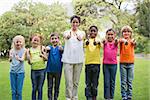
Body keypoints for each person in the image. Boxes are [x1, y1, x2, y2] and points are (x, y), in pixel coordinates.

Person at [61, 15, 85, 100]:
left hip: (78, 60)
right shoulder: (66, 32)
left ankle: (74, 97)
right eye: (73, 22)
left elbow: (82, 37)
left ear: (79, 23)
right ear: (71, 23)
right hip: (68, 60)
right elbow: (66, 36)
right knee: (68, 82)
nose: (75, 24)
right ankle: (68, 97)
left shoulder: (82, 33)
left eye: (76, 22)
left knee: (76, 82)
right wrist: (68, 36)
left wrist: (80, 38)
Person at [27, 34, 47, 100]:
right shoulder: (29, 50)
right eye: (34, 40)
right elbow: (29, 63)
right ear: (31, 41)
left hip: (42, 70)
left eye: (37, 40)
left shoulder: (42, 48)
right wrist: (29, 59)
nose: (35, 42)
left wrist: (42, 55)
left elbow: (46, 58)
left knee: (40, 88)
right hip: (34, 71)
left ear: (39, 42)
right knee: (34, 88)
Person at [84, 26, 101, 100]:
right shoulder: (86, 41)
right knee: (88, 83)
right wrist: (87, 39)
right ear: (89, 32)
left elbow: (101, 44)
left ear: (97, 32)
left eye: (94, 31)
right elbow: (85, 44)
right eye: (91, 31)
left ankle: (94, 97)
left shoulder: (98, 40)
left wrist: (97, 41)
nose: (93, 32)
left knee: (95, 83)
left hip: (96, 64)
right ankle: (88, 97)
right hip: (88, 64)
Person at [119, 26, 136, 100]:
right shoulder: (121, 40)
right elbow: (119, 41)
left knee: (129, 81)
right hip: (123, 63)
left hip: (131, 63)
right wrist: (123, 40)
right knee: (123, 82)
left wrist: (133, 42)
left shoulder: (132, 40)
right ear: (122, 33)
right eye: (124, 31)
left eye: (128, 31)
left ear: (131, 33)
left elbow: (134, 43)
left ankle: (129, 95)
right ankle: (124, 96)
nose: (126, 33)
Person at [46, 33, 63, 100]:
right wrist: (46, 48)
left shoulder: (60, 48)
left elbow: (63, 50)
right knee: (50, 86)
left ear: (58, 39)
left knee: (56, 86)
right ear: (50, 40)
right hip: (49, 70)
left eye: (56, 38)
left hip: (58, 70)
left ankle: (55, 98)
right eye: (52, 39)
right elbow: (46, 49)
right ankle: (50, 98)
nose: (54, 40)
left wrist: (62, 49)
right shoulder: (49, 48)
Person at [102, 29, 118, 100]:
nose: (110, 36)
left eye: (112, 34)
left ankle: (111, 97)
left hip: (114, 65)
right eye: (108, 34)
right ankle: (107, 97)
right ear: (106, 35)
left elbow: (118, 41)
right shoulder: (105, 43)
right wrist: (103, 41)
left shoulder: (115, 43)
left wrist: (116, 40)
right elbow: (102, 41)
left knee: (112, 81)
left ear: (114, 35)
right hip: (106, 65)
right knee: (106, 82)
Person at [9, 35, 26, 100]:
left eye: (20, 42)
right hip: (12, 72)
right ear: (14, 43)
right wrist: (10, 58)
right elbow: (10, 60)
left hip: (20, 72)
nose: (18, 43)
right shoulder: (11, 50)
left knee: (19, 91)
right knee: (13, 91)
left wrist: (18, 58)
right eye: (17, 42)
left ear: (22, 43)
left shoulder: (24, 50)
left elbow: (22, 59)